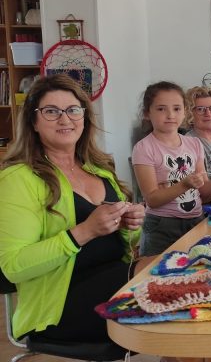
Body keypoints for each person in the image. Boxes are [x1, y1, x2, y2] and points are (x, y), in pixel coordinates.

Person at [0, 74, 144, 343]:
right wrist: (84, 231)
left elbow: (123, 244)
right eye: (51, 111)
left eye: (73, 110)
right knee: (160, 283)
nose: (65, 119)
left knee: (173, 282)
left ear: (85, 117)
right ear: (33, 122)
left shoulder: (99, 170)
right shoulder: (17, 178)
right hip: (58, 306)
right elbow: (14, 267)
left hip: (113, 279)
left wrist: (130, 225)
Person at [132, 82, 211, 257]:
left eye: (177, 108)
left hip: (195, 220)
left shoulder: (193, 143)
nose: (170, 115)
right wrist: (184, 184)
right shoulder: (144, 148)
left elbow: (203, 193)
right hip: (161, 227)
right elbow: (152, 199)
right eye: (161, 109)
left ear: (185, 111)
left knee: (198, 270)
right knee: (157, 278)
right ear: (147, 113)